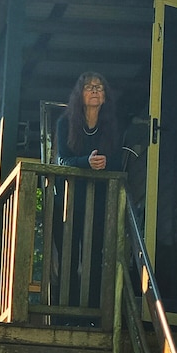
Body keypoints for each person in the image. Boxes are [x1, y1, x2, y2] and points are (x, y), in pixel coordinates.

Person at [55, 72, 120, 310]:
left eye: (100, 87)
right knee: (70, 256)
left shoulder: (111, 125)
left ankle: (92, 313)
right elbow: (63, 161)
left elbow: (117, 161)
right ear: (79, 94)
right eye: (89, 87)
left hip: (101, 199)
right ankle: (65, 313)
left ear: (105, 97)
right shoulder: (65, 123)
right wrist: (86, 162)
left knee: (95, 256)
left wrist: (104, 163)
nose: (95, 91)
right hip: (71, 201)